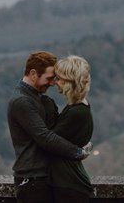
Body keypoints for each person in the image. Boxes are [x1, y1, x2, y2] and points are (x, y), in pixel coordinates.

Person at [7, 51, 92, 203]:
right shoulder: (22, 101)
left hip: (42, 177)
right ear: (33, 74)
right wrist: (78, 152)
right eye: (50, 78)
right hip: (31, 178)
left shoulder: (39, 98)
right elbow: (45, 137)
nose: (53, 83)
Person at [49, 55, 95, 202]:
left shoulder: (77, 112)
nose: (56, 82)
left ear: (70, 82)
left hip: (69, 185)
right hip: (70, 182)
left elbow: (48, 141)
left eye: (60, 79)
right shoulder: (78, 107)